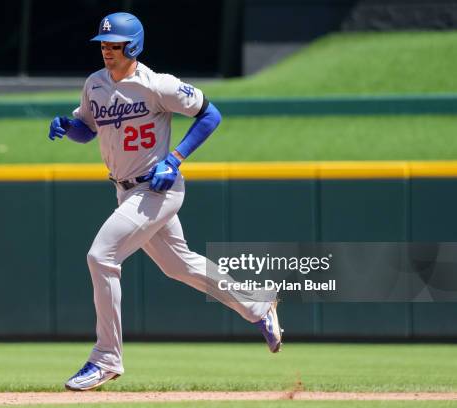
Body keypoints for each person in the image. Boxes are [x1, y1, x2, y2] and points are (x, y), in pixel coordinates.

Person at [48, 12, 282, 392]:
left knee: (101, 256)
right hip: (125, 190)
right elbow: (87, 131)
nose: (107, 50)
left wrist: (175, 159)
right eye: (103, 44)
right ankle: (258, 306)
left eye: (114, 44)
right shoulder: (94, 85)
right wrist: (66, 126)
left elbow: (210, 115)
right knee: (179, 265)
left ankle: (106, 358)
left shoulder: (158, 85)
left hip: (158, 190)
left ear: (134, 46)